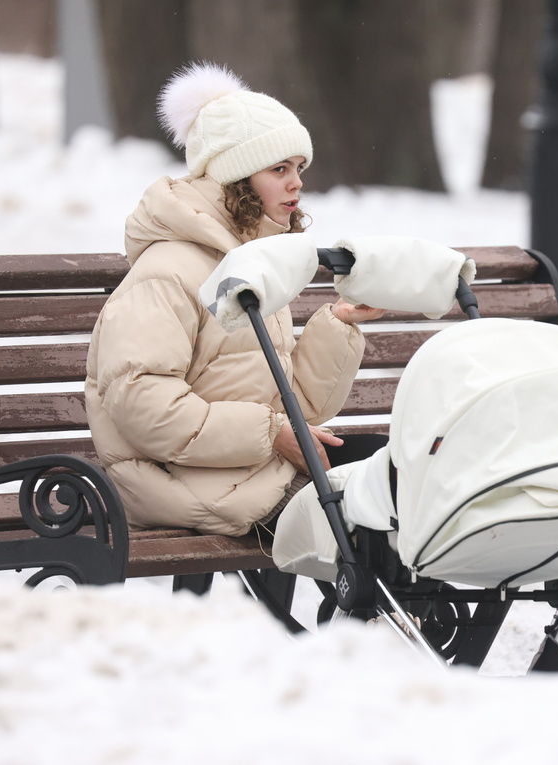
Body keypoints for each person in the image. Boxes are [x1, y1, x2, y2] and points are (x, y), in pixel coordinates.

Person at [85, 62, 384, 537]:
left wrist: (338, 324)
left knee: (396, 473)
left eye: (299, 168)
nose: (296, 184)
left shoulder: (249, 262)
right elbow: (144, 405)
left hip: (246, 466)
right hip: (179, 479)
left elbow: (296, 408)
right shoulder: (168, 272)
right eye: (279, 169)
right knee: (366, 514)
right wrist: (270, 434)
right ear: (236, 178)